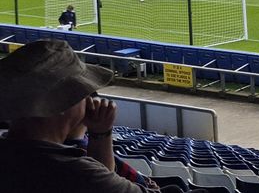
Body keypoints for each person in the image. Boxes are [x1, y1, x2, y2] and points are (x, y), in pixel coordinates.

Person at [0, 40, 150, 193]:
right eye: (83, 92)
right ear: (62, 103)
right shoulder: (78, 174)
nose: (89, 99)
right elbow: (99, 184)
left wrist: (99, 136)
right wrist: (101, 134)